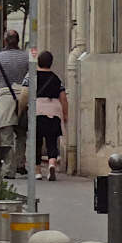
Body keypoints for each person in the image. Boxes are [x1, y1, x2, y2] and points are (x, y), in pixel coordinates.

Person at [0, 29, 29, 178]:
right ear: (18, 41)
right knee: (22, 133)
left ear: (5, 41)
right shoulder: (27, 57)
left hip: (5, 96)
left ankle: (9, 169)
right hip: (23, 97)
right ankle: (20, 164)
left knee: (6, 135)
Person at [33, 50, 68, 180]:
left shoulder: (32, 76)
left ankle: (37, 171)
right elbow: (63, 97)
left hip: (37, 111)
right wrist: (65, 114)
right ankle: (52, 164)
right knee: (52, 140)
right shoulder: (56, 78)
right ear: (51, 63)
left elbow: (25, 94)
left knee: (36, 141)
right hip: (54, 111)